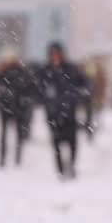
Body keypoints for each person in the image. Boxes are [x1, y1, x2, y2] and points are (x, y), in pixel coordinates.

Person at [38, 42, 88, 180]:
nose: (55, 57)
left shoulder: (71, 69)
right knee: (56, 142)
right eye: (52, 54)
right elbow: (38, 89)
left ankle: (71, 166)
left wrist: (76, 96)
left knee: (72, 142)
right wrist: (46, 99)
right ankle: (60, 169)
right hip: (53, 113)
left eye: (57, 54)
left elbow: (84, 84)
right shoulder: (45, 71)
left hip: (70, 112)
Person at [0, 51, 36, 168]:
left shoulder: (22, 71)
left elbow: (30, 87)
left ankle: (17, 158)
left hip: (18, 107)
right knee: (4, 133)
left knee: (18, 133)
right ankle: (3, 158)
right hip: (5, 106)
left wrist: (25, 100)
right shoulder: (2, 71)